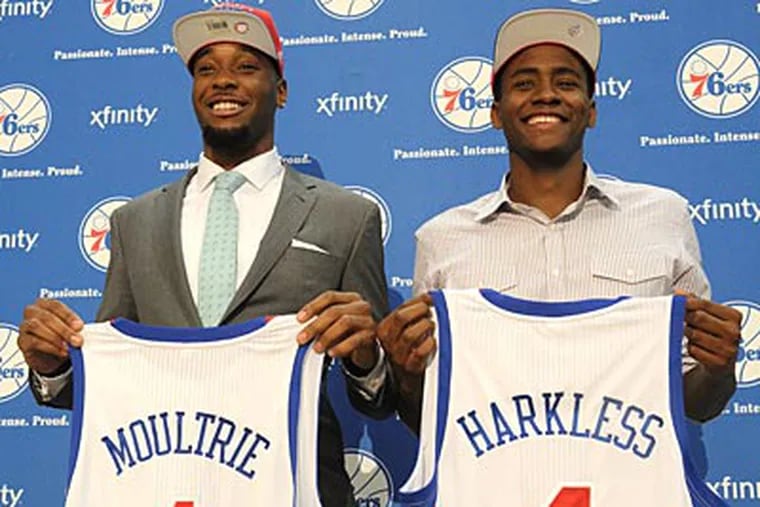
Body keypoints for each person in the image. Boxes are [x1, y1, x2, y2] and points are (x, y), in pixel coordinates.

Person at [17, 4, 393, 506]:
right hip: (162, 486)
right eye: (206, 69)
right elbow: (110, 383)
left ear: (280, 92)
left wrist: (367, 358)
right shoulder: (135, 222)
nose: (222, 82)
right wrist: (52, 368)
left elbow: (382, 395)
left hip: (295, 488)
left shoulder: (346, 218)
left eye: (245, 66)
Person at [377, 8, 741, 434]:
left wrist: (717, 369)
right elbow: (431, 417)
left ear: (591, 111)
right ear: (495, 114)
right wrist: (408, 374)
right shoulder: (442, 239)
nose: (546, 95)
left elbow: (698, 402)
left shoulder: (663, 216)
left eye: (566, 83)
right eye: (524, 83)